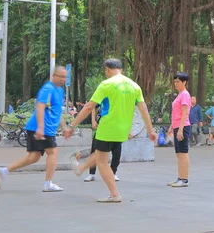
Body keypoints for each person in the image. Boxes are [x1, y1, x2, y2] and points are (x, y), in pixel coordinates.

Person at [65, 59, 157, 203]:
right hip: (123, 130)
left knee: (102, 161)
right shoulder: (134, 86)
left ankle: (114, 194)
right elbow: (143, 109)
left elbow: (89, 107)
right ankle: (82, 168)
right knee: (101, 154)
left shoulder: (106, 84)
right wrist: (150, 130)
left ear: (107, 70)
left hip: (107, 128)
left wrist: (72, 126)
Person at [0, 66, 69, 192]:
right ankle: (48, 183)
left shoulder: (60, 91)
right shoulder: (48, 89)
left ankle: (4, 171)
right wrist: (40, 128)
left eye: (65, 77)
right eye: (61, 76)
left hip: (42, 128)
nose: (63, 79)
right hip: (41, 128)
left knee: (33, 157)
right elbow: (40, 107)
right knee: (53, 152)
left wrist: (64, 126)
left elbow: (57, 112)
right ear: (54, 76)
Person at [83, 102, 122, 182]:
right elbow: (93, 106)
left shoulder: (121, 94)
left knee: (117, 150)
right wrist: (93, 121)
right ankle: (91, 173)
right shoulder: (104, 94)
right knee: (95, 149)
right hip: (103, 124)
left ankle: (113, 173)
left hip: (117, 125)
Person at [166, 72, 192, 187]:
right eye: (175, 81)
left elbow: (185, 113)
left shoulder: (185, 94)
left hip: (183, 126)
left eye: (178, 82)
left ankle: (184, 179)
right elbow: (176, 113)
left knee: (183, 153)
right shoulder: (179, 95)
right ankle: (180, 177)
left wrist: (181, 130)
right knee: (178, 154)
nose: (176, 84)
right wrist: (172, 126)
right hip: (177, 126)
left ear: (184, 82)